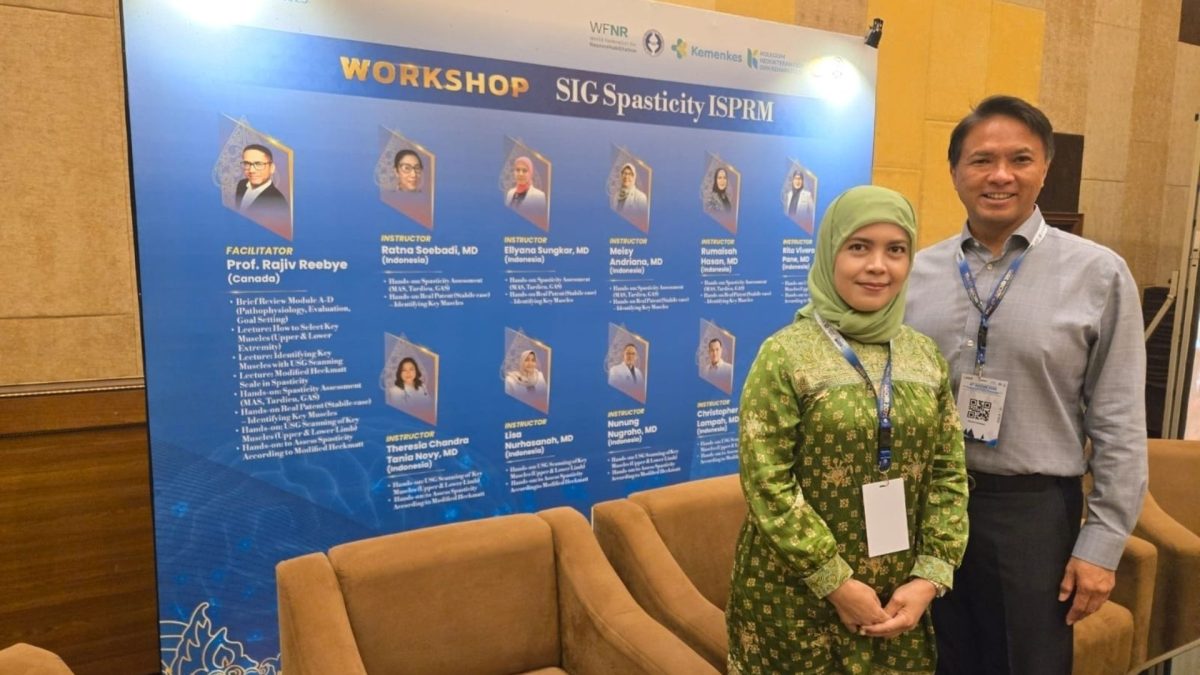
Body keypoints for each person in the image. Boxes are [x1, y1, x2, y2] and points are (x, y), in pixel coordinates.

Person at [905, 95, 1147, 675]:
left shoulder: (1098, 274)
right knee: (927, 660)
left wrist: (1101, 544)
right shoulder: (915, 273)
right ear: (955, 172)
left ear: (1045, 169)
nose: (1000, 175)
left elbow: (1118, 420)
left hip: (1031, 515)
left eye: (1020, 159)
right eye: (981, 160)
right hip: (925, 504)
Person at [727, 185, 968, 675]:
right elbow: (767, 482)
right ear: (830, 253)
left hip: (898, 597)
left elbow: (948, 472)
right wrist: (835, 581)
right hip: (793, 597)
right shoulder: (785, 354)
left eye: (895, 250)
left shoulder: (923, 354)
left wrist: (929, 577)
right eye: (859, 247)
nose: (878, 266)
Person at [235, 144, 289, 224]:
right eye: (247, 164)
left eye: (259, 164)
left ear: (272, 168)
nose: (251, 170)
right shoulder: (241, 184)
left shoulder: (278, 203)